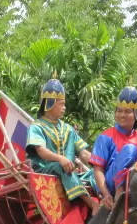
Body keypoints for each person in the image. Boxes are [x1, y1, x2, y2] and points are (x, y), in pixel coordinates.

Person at [26, 75, 100, 213]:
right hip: (45, 173)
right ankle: (91, 203)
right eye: (61, 104)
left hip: (69, 172)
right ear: (50, 103)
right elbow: (41, 150)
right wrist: (61, 158)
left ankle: (104, 197)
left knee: (95, 173)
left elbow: (83, 153)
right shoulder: (37, 126)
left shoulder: (68, 129)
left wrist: (101, 164)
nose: (64, 107)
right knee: (61, 166)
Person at [90, 86, 137, 209]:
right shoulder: (105, 137)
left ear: (136, 114)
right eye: (119, 111)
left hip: (136, 184)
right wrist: (105, 194)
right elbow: (98, 169)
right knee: (130, 149)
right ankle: (119, 191)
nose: (122, 115)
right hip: (109, 184)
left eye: (127, 112)